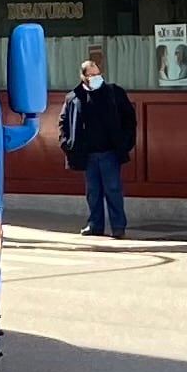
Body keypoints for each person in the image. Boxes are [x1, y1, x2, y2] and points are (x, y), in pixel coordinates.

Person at [59, 59, 137, 238]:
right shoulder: (73, 97)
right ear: (83, 77)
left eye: (98, 74)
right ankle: (95, 224)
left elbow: (129, 119)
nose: (96, 78)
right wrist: (67, 144)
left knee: (113, 189)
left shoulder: (114, 93)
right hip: (87, 154)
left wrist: (125, 142)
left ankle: (118, 226)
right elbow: (63, 122)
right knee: (93, 192)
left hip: (109, 151)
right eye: (91, 75)